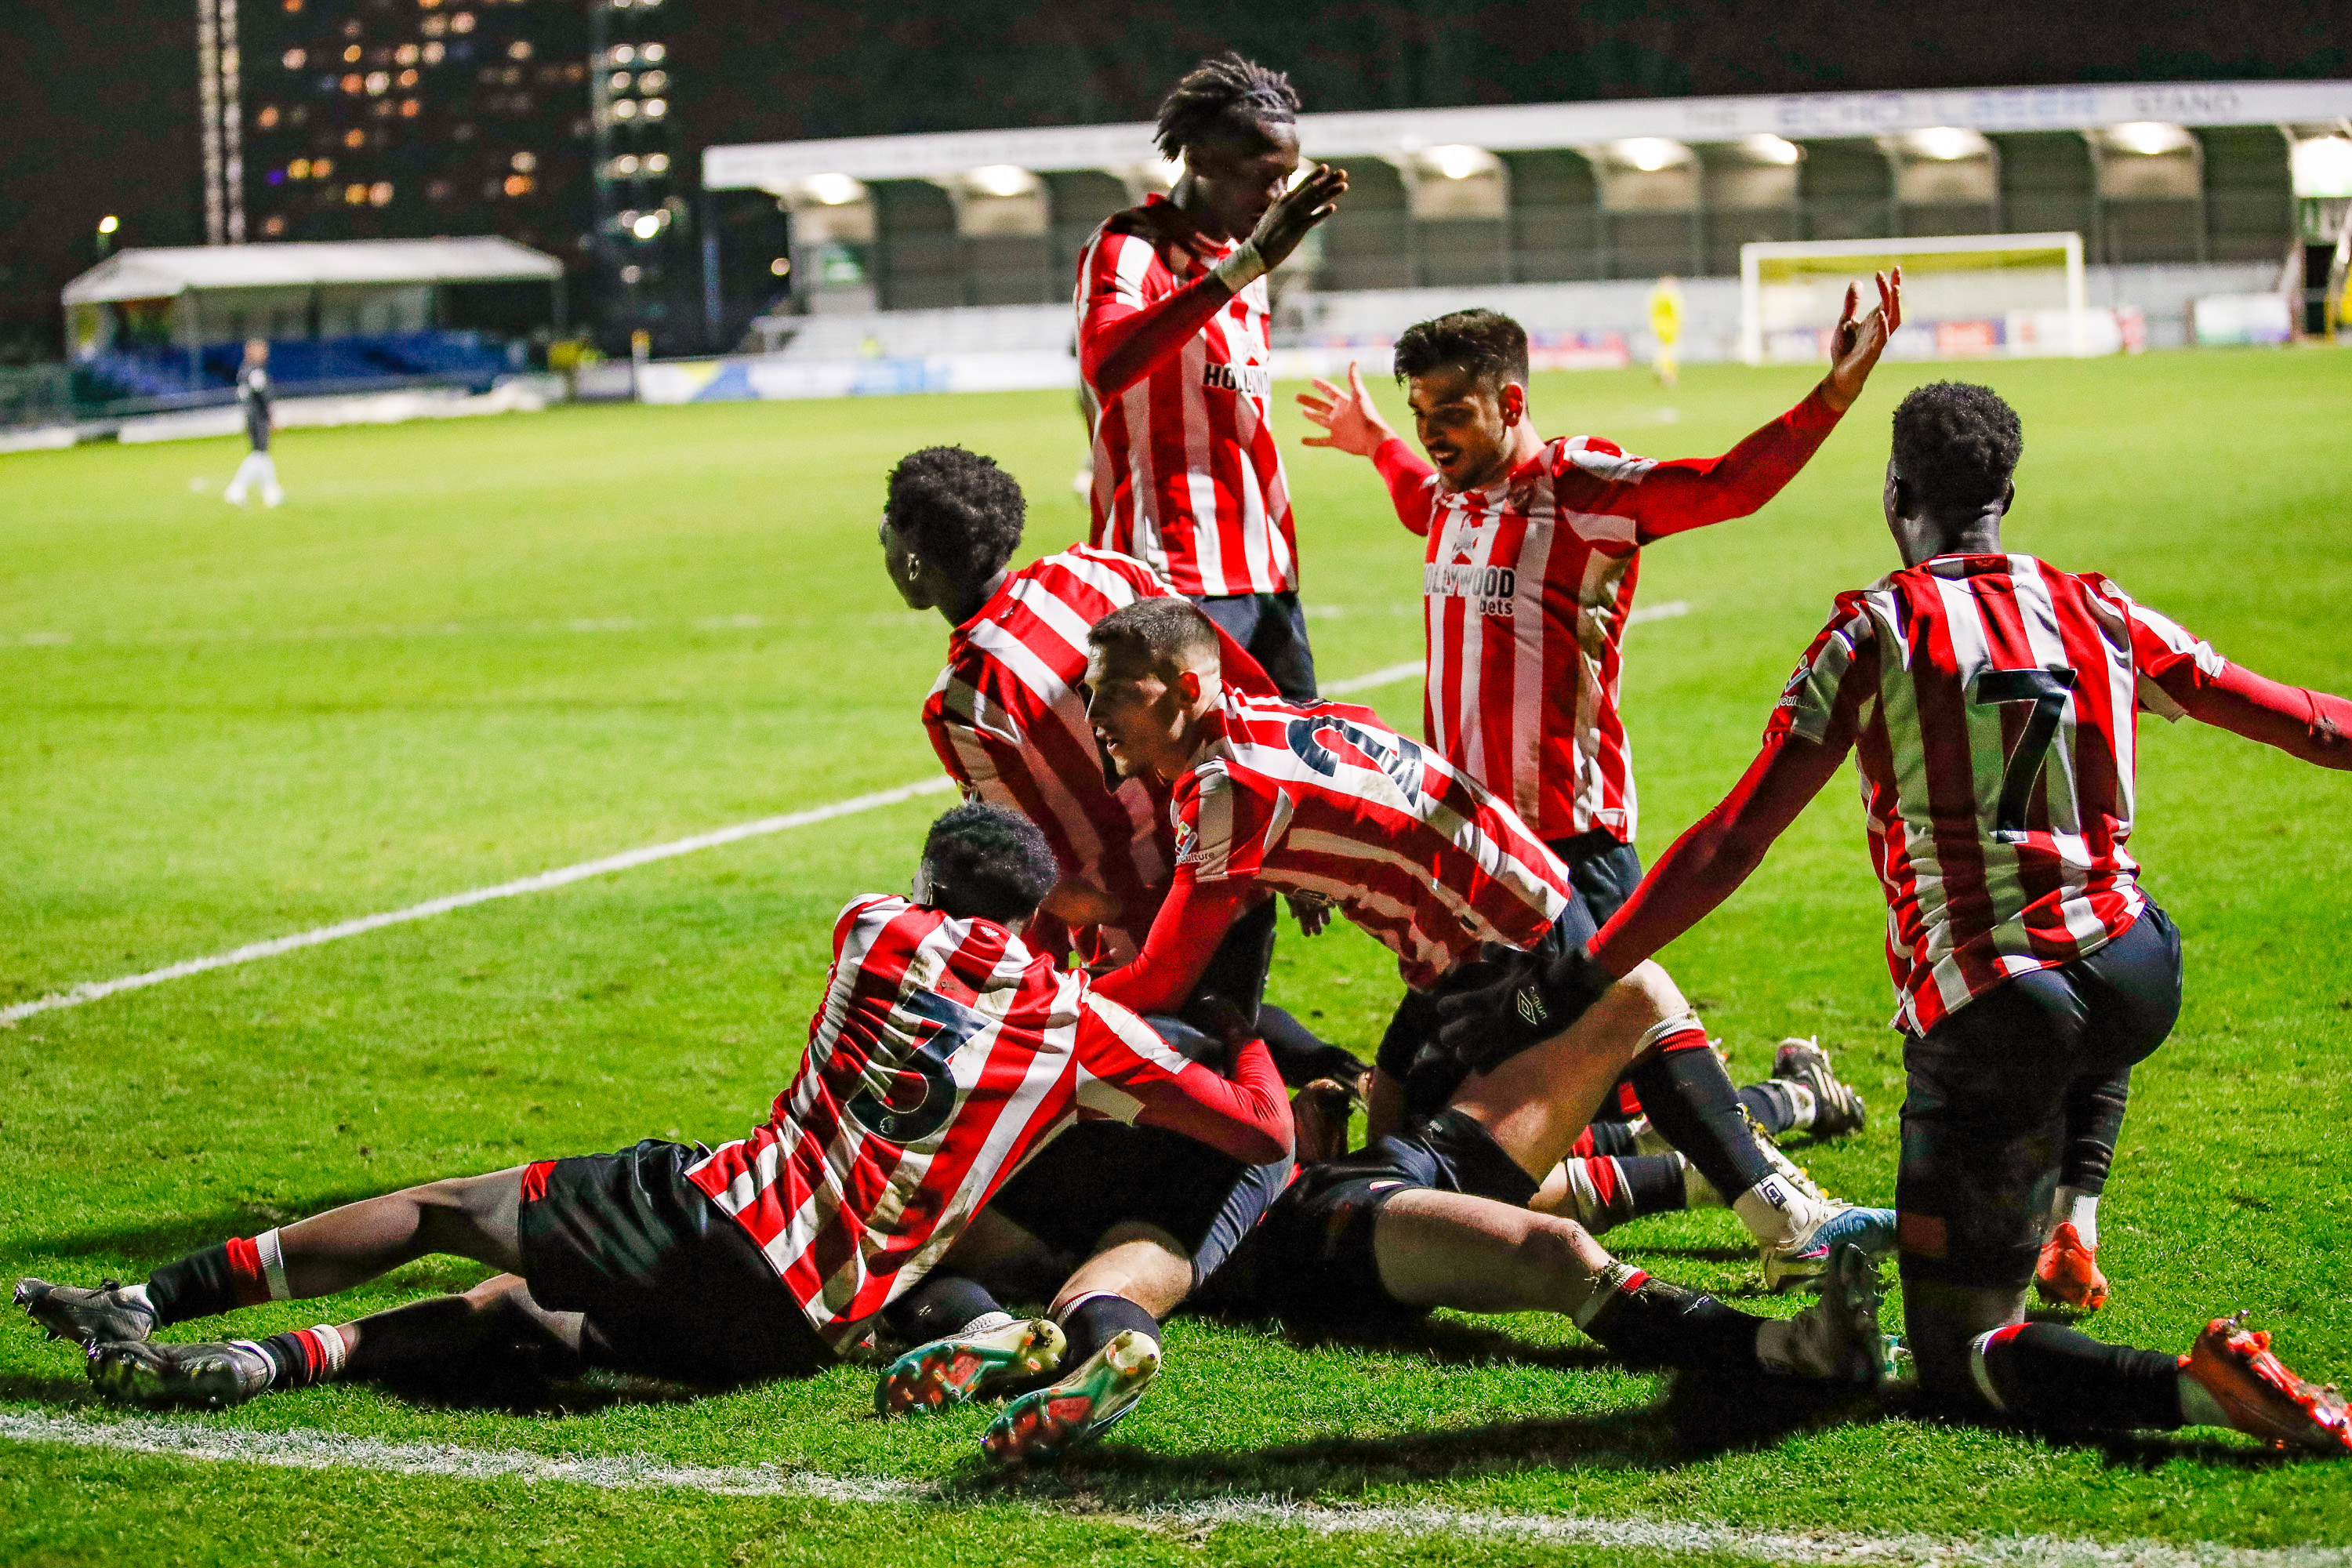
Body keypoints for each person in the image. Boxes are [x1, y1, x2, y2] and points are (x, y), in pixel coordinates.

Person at [1451, 382, 2352, 1452]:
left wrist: (1592, 967)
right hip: (2138, 971)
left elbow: (1734, 841)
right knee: (2096, 940)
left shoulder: (1878, 629)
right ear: (2006, 494)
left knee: (1956, 1356)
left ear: (1896, 493)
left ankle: (2197, 1387)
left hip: (2000, 1012)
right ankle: (2074, 1214)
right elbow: (2311, 726)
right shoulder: (2099, 607)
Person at [16, 805, 1292, 1414]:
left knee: (448, 1214)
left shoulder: (873, 930)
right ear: (1026, 917)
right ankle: (257, 1364)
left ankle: (153, 1301)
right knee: (513, 1313)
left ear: (927, 882)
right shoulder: (1079, 1029)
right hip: (796, 1326)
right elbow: (1254, 1136)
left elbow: (939, 947)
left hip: (716, 1222)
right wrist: (1247, 1050)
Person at [1075, 599, 1889, 1381]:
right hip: (1487, 927)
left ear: (1186, 687)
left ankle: (1786, 1210)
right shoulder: (1272, 719)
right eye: (1088, 687)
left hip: (1503, 954)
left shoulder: (1222, 790)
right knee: (1400, 1111)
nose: (1092, 707)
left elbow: (1165, 978)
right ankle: (1741, 1157)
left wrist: (1056, 995)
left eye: (1113, 687)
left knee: (1510, 1127)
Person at [1292, 294, 1903, 1283]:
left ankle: (1794, 1223)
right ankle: (1795, 1105)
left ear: (1511, 398)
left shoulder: (1582, 488)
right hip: (1474, 856)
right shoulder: (1450, 495)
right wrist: (1375, 444)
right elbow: (1418, 494)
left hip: (1568, 843)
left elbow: (1728, 486)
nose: (1430, 434)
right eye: (1417, 412)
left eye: (1450, 411)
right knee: (1422, 1089)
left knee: (1640, 1024)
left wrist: (1833, 391)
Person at [875, 447, 1353, 1465]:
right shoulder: (1102, 569)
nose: (883, 547)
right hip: (1233, 857)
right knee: (1233, 1045)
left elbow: (1033, 872)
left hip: (1149, 950)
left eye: (890, 532)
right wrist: (1299, 816)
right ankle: (1341, 1100)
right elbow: (1241, 678)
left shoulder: (962, 705)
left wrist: (1035, 995)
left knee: (1176, 1129)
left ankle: (1094, 1279)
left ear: (917, 565)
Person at [1076, 53, 1348, 701]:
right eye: (1265, 177)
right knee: (1189, 787)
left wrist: (1247, 264)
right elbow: (1106, 364)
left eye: (1288, 179)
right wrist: (1246, 266)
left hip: (1267, 570)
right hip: (1171, 573)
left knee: (1297, 778)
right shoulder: (1130, 246)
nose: (1277, 197)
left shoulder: (1242, 260)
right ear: (1199, 159)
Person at [223, 337, 285, 508]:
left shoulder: (245, 370)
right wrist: (271, 417)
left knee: (261, 453)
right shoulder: (255, 372)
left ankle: (272, 492)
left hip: (251, 417)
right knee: (259, 453)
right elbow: (262, 397)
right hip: (257, 418)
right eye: (261, 349)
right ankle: (236, 490)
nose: (265, 353)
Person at [1648, 274, 1684, 387]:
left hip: (1658, 326)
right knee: (1670, 351)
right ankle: (1667, 373)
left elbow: (1651, 311)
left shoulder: (1655, 295)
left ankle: (1659, 367)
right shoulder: (1670, 295)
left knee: (1662, 349)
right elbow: (1677, 312)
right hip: (1670, 327)